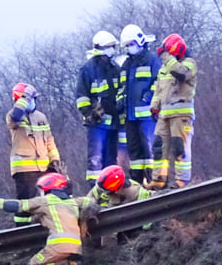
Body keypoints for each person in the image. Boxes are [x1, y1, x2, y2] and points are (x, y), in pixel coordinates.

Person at [6, 83, 62, 226]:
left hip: (44, 167)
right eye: (30, 99)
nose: (33, 101)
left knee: (52, 201)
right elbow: (16, 117)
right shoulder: (13, 116)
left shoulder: (41, 117)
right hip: (25, 170)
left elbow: (49, 140)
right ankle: (20, 233)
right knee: (25, 205)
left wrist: (55, 160)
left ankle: (49, 229)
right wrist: (25, 96)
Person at [150, 34, 197, 189]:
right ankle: (158, 180)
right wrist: (154, 104)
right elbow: (159, 89)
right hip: (164, 114)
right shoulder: (164, 68)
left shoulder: (189, 64)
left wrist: (167, 58)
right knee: (159, 146)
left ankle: (181, 181)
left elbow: (182, 74)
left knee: (179, 147)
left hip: (181, 114)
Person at [76, 31, 122, 188]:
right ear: (101, 48)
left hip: (113, 122)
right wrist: (89, 113)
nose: (112, 50)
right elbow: (81, 96)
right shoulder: (88, 69)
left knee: (111, 158)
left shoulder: (115, 67)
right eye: (109, 47)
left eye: (113, 47)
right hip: (97, 123)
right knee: (95, 159)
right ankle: (95, 191)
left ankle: (112, 189)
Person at [118, 24, 160, 185]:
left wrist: (148, 96)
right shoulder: (126, 65)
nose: (130, 48)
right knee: (134, 151)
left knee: (149, 148)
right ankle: (136, 182)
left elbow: (159, 81)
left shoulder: (151, 60)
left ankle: (154, 181)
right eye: (127, 45)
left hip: (148, 115)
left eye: (131, 44)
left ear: (140, 41)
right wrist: (120, 101)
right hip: (130, 116)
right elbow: (122, 87)